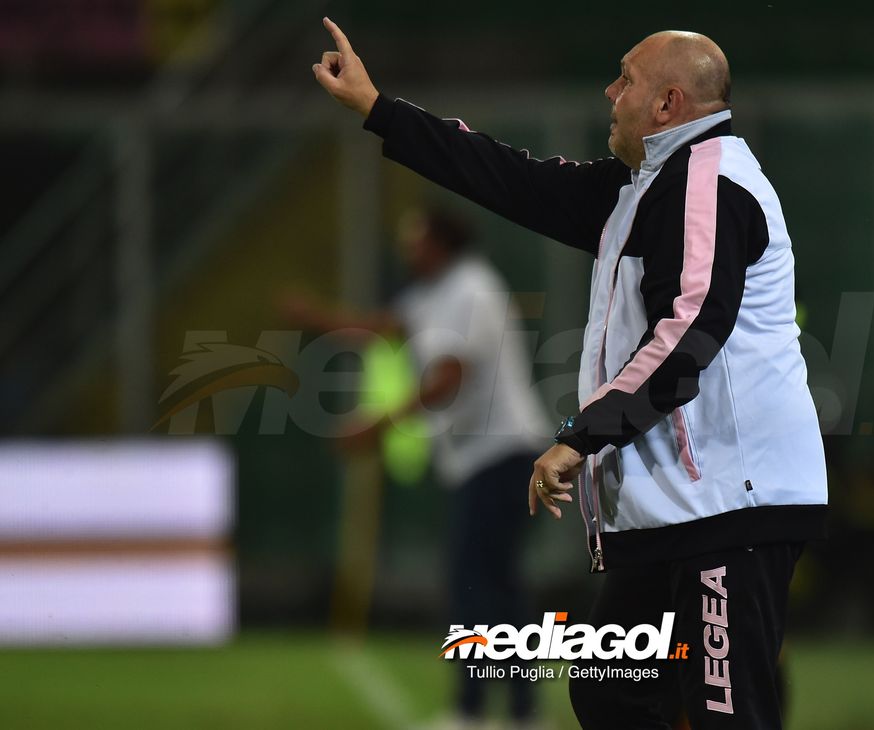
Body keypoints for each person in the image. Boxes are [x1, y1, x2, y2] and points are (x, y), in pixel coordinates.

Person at [313, 19, 828, 729]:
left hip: (731, 504)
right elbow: (509, 178)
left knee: (724, 713)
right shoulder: (642, 185)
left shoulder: (710, 183)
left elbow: (685, 340)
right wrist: (380, 110)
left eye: (626, 79)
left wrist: (581, 438)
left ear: (668, 103)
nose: (609, 92)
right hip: (679, 503)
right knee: (610, 692)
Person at [282, 206, 548, 730]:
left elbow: (447, 377)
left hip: (501, 455)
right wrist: (315, 318)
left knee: (479, 585)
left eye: (418, 239)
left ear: (444, 243)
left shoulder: (471, 289)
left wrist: (375, 427)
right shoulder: (435, 295)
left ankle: (488, 712)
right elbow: (384, 326)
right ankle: (516, 713)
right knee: (491, 582)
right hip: (481, 459)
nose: (409, 248)